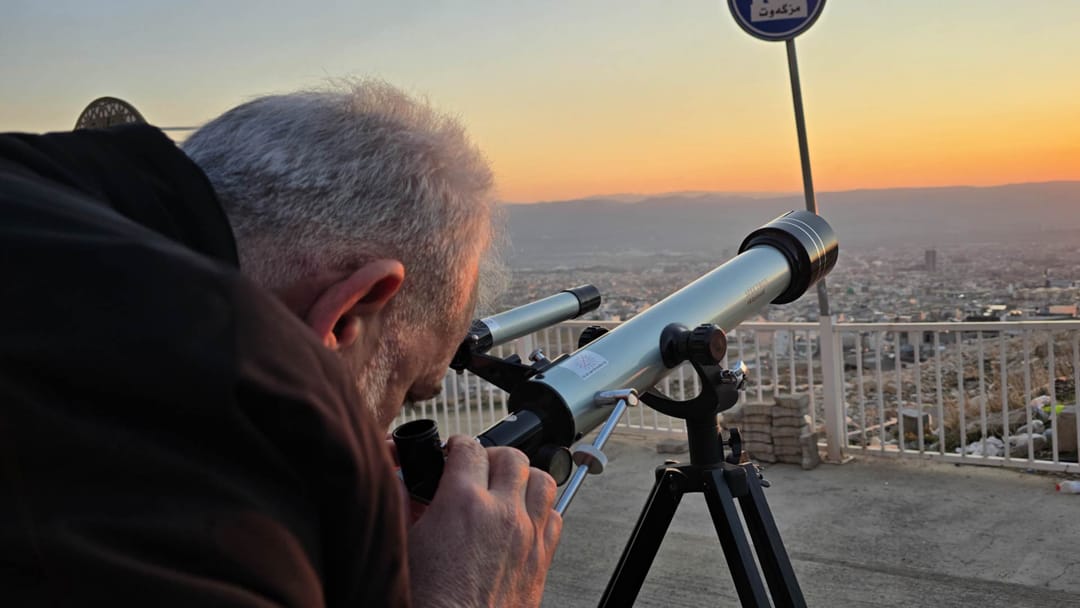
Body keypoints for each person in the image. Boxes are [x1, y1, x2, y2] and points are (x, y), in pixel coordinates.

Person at [0, 79, 561, 606]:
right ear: (345, 318)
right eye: (406, 393)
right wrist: (464, 593)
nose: (382, 439)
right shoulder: (203, 487)